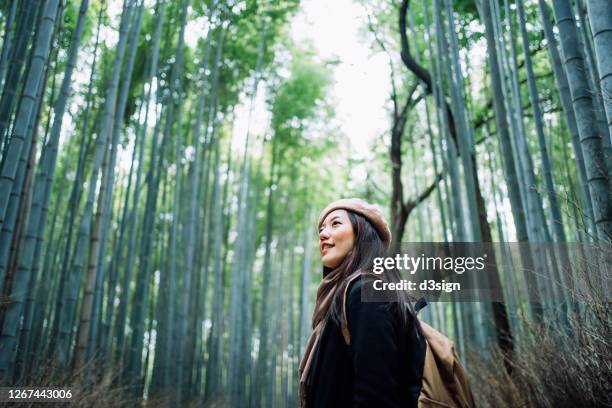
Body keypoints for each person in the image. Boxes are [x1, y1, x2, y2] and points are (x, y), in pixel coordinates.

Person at [299, 198, 426, 408]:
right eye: (321, 229)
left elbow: (377, 396)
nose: (322, 234)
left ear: (362, 233)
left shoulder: (365, 292)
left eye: (335, 224)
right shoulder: (344, 297)